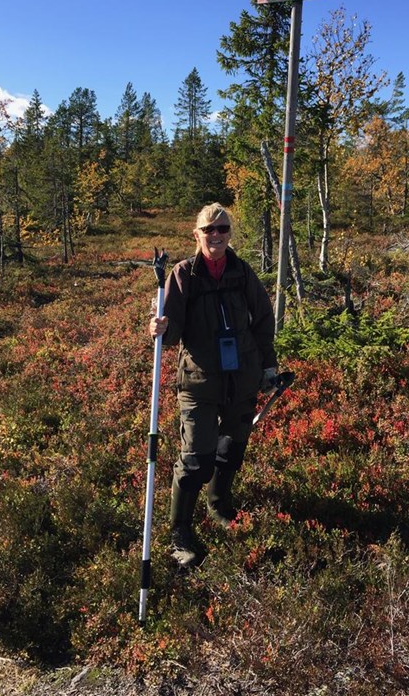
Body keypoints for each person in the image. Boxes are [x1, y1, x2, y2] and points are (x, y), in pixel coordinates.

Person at [149, 203, 278, 568]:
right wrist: (159, 328)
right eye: (209, 230)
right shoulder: (183, 275)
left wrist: (267, 368)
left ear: (229, 233)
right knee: (196, 459)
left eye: (223, 229)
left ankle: (219, 505)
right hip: (200, 383)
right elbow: (171, 331)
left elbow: (263, 320)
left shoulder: (242, 272)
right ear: (197, 235)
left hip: (242, 378)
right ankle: (181, 532)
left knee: (232, 447)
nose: (216, 236)